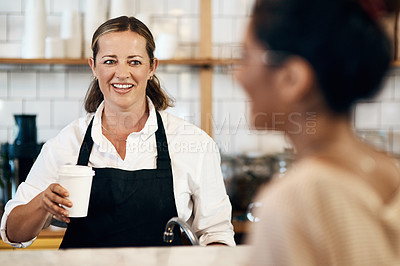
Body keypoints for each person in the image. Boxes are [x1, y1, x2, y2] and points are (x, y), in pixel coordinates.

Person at [0, 16, 235, 248]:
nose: (122, 73)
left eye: (134, 62)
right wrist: (43, 204)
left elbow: (217, 235)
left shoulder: (193, 142)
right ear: (94, 66)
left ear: (152, 67)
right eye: (110, 61)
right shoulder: (67, 143)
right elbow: (13, 232)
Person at [235, 0, 400, 265]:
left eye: (245, 57)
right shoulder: (392, 171)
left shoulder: (293, 201)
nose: (238, 75)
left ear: (291, 79)